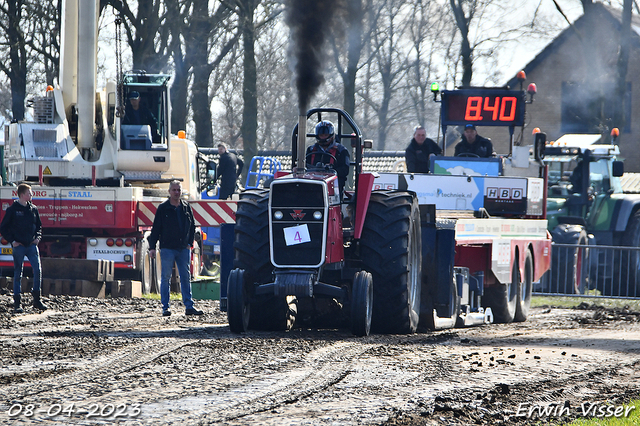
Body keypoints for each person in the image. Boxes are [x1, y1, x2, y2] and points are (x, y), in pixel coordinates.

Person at [147, 180, 203, 317]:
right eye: (174, 190)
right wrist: (152, 247)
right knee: (165, 277)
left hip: (183, 248)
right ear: (169, 192)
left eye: (179, 190)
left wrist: (190, 243)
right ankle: (165, 307)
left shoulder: (186, 207)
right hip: (167, 248)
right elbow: (156, 229)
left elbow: (192, 226)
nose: (177, 192)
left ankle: (189, 306)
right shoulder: (163, 208)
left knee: (185, 277)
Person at [0, 183, 47, 313]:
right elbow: (3, 227)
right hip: (19, 247)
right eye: (29, 193)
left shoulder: (34, 209)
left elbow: (39, 226)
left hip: (31, 246)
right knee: (18, 273)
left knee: (37, 270)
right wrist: (12, 241)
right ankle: (17, 303)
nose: (31, 195)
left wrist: (38, 237)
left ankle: (37, 300)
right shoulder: (12, 210)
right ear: (22, 195)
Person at [305, 120, 350, 197]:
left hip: (333, 185)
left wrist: (331, 170)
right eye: (321, 135)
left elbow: (345, 169)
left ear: (331, 135)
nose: (323, 137)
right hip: (312, 184)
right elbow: (305, 164)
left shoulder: (341, 151)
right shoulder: (311, 150)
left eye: (325, 135)